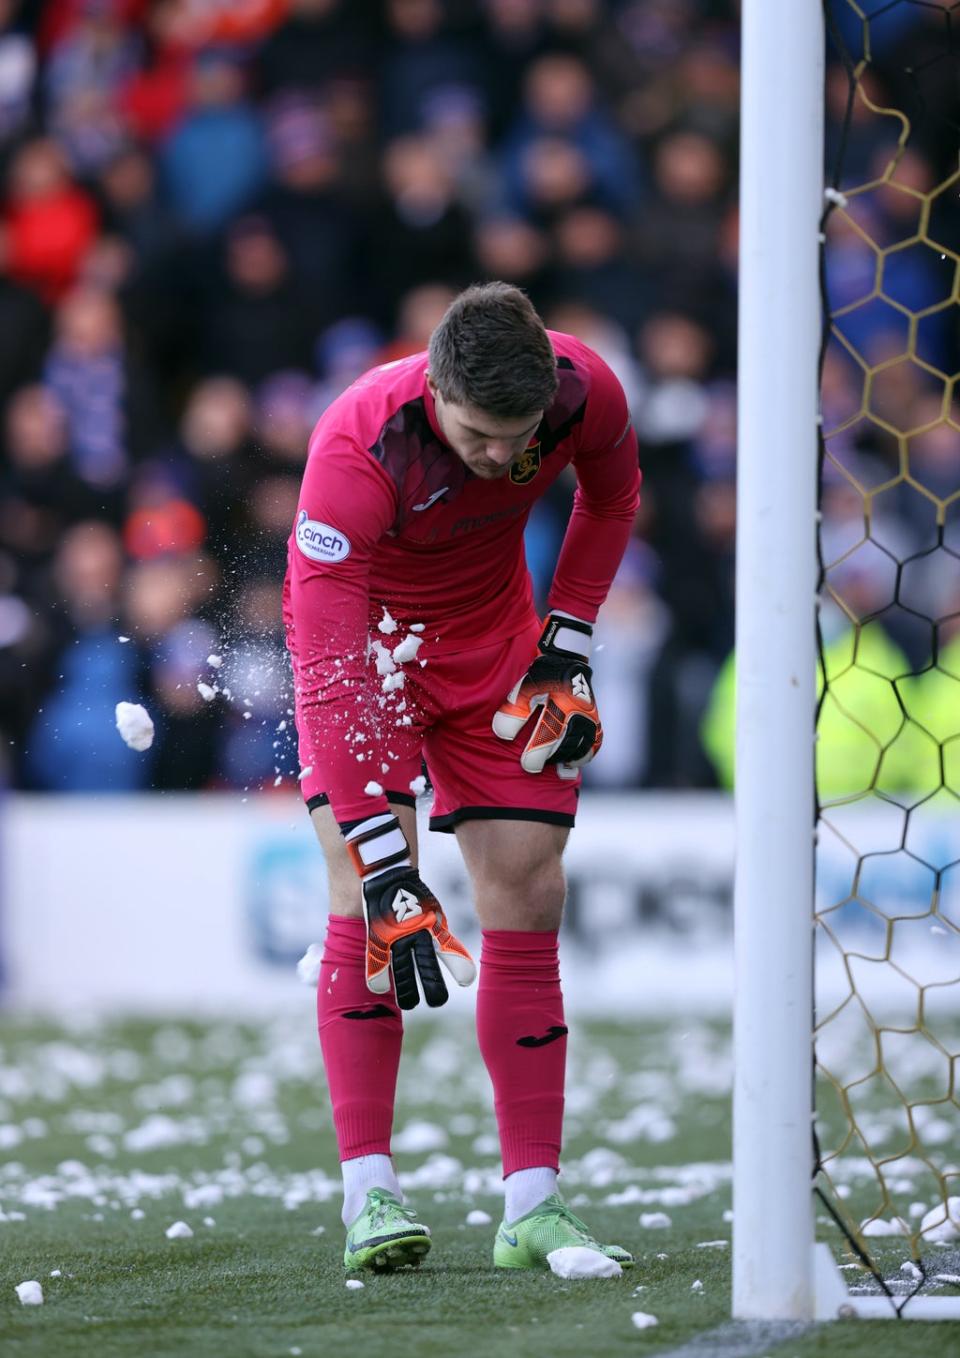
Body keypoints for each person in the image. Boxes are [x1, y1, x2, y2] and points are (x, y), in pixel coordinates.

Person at [283, 282, 640, 1275]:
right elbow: (325, 672)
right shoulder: (355, 449)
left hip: (494, 647)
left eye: (514, 435)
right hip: (371, 659)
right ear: (435, 386)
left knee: (530, 884)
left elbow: (614, 497)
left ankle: (533, 1201)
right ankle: (369, 1190)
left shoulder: (585, 391)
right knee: (367, 895)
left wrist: (565, 641)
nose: (498, 455)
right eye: (479, 433)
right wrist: (385, 853)